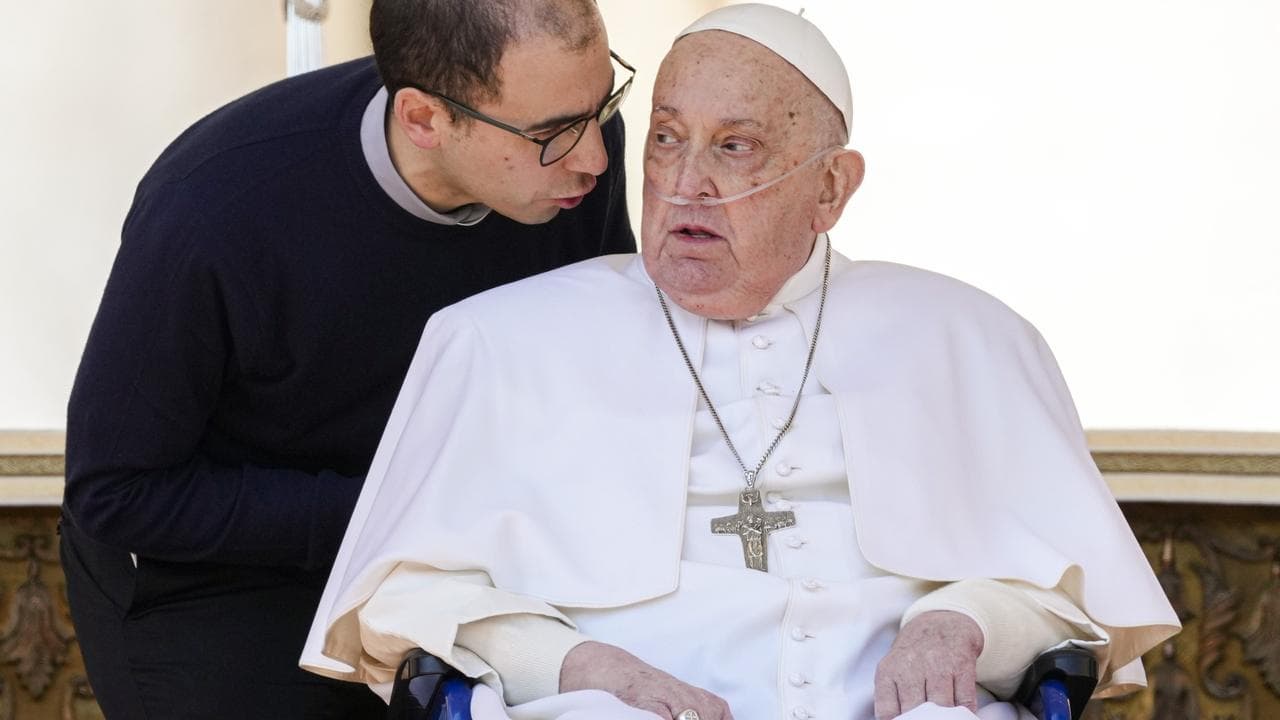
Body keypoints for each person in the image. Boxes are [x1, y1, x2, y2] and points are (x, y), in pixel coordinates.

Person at [301, 5, 1179, 720]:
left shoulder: (971, 336)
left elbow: (1079, 599)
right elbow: (399, 602)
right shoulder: (496, 340)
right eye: (666, 138)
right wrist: (575, 664)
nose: (683, 185)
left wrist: (962, 622)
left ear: (830, 187)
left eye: (734, 148)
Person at [59, 1, 634, 717]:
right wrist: (407, 512)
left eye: (602, 106)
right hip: (214, 581)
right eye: (553, 134)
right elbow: (115, 491)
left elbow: (595, 366)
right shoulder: (212, 209)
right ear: (424, 118)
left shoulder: (570, 155)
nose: (596, 158)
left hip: (448, 560)